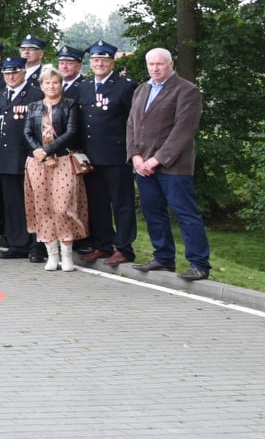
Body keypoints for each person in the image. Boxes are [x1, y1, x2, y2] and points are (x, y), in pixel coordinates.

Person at [128, 48, 211, 280]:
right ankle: (163, 258)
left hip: (174, 167)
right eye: (151, 64)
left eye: (160, 64)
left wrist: (157, 159)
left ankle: (199, 264)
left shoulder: (187, 90)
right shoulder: (141, 90)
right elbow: (131, 125)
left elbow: (183, 131)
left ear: (171, 64)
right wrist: (135, 156)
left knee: (185, 214)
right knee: (153, 212)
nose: (155, 68)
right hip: (143, 166)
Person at [75, 42, 138, 268]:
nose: (99, 64)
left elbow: (134, 123)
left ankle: (124, 248)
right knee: (97, 204)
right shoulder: (84, 87)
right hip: (90, 158)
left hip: (116, 156)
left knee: (122, 204)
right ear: (90, 63)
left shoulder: (125, 87)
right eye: (95, 60)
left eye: (104, 60)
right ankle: (103, 244)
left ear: (112, 62)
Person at [22, 64, 88, 271]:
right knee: (43, 207)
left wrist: (48, 150)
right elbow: (27, 132)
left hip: (63, 160)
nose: (51, 86)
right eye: (47, 83)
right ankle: (52, 255)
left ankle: (67, 255)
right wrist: (38, 151)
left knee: (63, 207)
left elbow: (71, 132)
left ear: (61, 85)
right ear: (41, 86)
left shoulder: (69, 105)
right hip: (37, 162)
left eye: (55, 82)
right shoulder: (33, 107)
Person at [0, 59, 40, 261]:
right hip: (5, 160)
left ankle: (36, 246)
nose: (11, 77)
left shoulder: (35, 95)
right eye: (7, 73)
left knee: (33, 205)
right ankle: (17, 244)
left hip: (28, 159)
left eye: (14, 73)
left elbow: (39, 130)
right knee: (12, 204)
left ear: (23, 73)